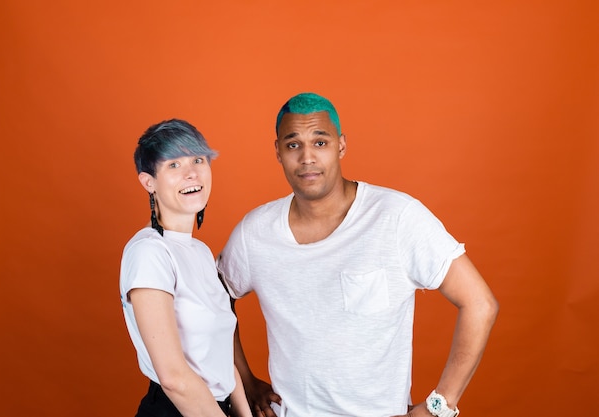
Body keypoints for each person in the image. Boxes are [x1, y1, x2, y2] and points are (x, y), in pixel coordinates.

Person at [216, 93, 499, 417]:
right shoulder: (256, 232)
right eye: (293, 145)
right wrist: (246, 381)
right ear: (278, 151)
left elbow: (480, 304)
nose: (307, 157)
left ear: (341, 146)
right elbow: (214, 299)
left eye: (320, 142)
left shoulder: (396, 218)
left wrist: (439, 407)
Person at [120, 119, 253, 417]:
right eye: (174, 165)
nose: (192, 172)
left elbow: (219, 357)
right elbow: (173, 377)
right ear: (148, 182)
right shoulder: (150, 252)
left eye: (198, 159)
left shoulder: (201, 252)